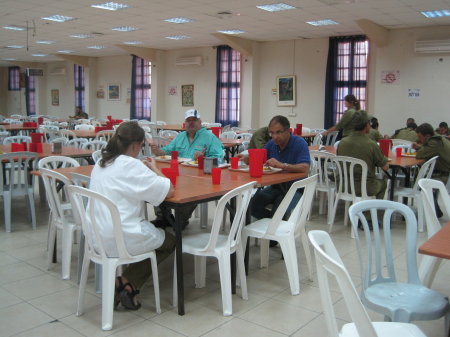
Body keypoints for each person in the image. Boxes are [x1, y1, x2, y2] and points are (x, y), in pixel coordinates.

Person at [89, 121, 175, 310]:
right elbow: (169, 190)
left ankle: (123, 283)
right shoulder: (132, 165)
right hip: (121, 236)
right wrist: (154, 168)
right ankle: (126, 281)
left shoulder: (101, 162)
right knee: (170, 241)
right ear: (137, 145)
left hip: (96, 236)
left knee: (152, 228)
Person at [150, 109, 224, 227]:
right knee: (159, 183)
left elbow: (220, 159)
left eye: (194, 120)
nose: (191, 123)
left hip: (200, 178)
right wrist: (158, 151)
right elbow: (168, 151)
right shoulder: (180, 137)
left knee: (190, 190)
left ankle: (180, 221)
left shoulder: (210, 137)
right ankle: (163, 217)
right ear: (185, 123)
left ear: (200, 122)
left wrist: (204, 158)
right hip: (179, 174)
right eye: (188, 120)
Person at [240, 115, 310, 223]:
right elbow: (262, 158)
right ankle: (274, 224)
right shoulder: (272, 144)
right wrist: (249, 159)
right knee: (251, 206)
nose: (274, 137)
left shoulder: (299, 143)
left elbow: (305, 168)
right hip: (276, 187)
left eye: (279, 132)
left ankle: (276, 228)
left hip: (296, 189)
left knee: (279, 210)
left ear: (288, 131)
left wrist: (282, 165)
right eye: (271, 133)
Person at [337, 110, 389, 199]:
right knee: (383, 184)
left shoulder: (342, 142)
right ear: (366, 125)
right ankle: (374, 212)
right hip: (365, 188)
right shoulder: (371, 144)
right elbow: (385, 167)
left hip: (344, 185)